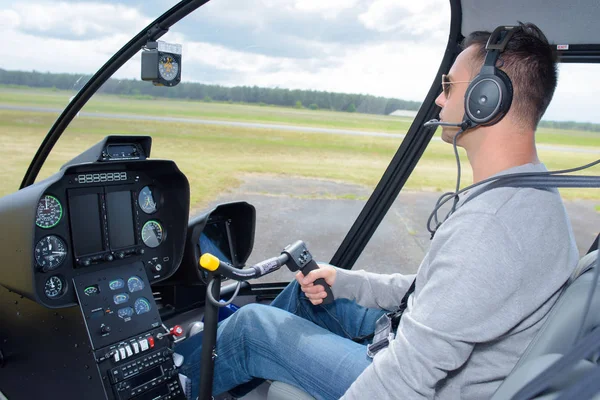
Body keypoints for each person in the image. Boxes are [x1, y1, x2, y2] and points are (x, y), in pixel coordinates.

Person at [176, 22, 579, 399]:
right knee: (307, 296)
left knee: (252, 327)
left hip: (427, 386)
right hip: (418, 346)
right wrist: (344, 280)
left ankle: (165, 383)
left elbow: (407, 377)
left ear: (486, 97)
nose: (439, 99)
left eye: (448, 86)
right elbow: (433, 293)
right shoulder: (529, 194)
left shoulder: (491, 227)